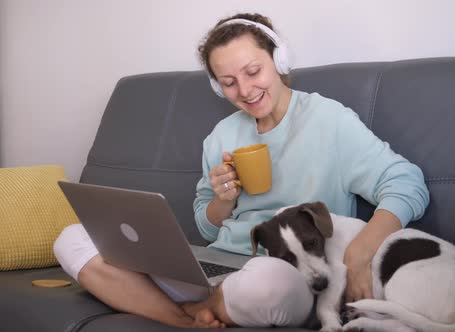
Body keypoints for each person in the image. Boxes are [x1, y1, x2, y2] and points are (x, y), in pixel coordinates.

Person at [53, 12, 429, 329]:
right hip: (218, 268)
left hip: (284, 275)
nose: (246, 90)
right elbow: (206, 225)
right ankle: (186, 318)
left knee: (265, 283)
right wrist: (222, 200)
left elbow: (406, 182)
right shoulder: (222, 135)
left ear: (278, 61)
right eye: (229, 83)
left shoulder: (329, 121)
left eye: (253, 71)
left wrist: (359, 253)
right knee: (71, 239)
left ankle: (201, 308)